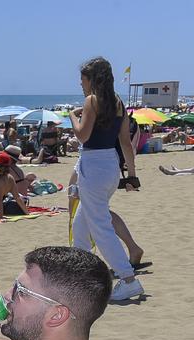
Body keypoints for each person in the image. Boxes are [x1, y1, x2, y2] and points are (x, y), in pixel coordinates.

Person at [70, 57, 143, 301]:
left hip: (93, 165)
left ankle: (128, 278)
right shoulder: (117, 103)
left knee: (100, 227)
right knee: (81, 225)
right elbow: (125, 143)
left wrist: (72, 116)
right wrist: (132, 175)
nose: (81, 84)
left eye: (83, 79)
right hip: (110, 165)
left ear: (92, 79)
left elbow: (82, 136)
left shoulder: (92, 100)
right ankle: (81, 277)